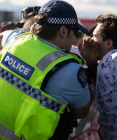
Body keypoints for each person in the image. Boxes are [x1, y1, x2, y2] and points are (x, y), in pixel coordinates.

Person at [0, 0, 96, 140]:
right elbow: (82, 111)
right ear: (63, 31)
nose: (75, 38)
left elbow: (6, 34)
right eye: (75, 32)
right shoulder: (70, 71)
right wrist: (92, 65)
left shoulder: (15, 38)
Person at [78, 14, 117, 140]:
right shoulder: (108, 61)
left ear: (109, 43)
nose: (89, 39)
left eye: (95, 36)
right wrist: (91, 63)